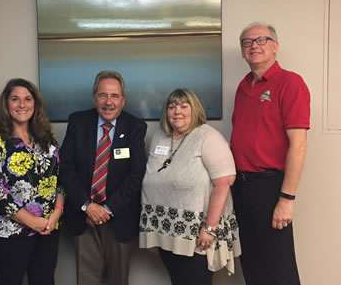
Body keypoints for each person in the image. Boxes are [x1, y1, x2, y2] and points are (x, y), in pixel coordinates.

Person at [231, 22, 310, 285]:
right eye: (247, 42)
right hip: (241, 188)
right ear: (243, 51)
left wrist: (286, 198)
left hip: (270, 187)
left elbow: (298, 145)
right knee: (252, 263)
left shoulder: (290, 83)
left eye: (261, 40)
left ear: (275, 46)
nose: (254, 45)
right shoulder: (243, 87)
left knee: (279, 268)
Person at [139, 88, 241, 285]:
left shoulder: (208, 137)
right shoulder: (160, 137)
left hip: (197, 234)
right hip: (166, 232)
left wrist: (209, 228)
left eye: (184, 106)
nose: (177, 111)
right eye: (172, 107)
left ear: (195, 110)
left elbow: (224, 183)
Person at [60, 70, 147, 285]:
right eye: (103, 95)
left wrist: (105, 210)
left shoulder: (135, 127)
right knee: (86, 279)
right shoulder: (78, 122)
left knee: (118, 279)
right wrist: (87, 206)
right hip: (83, 216)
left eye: (114, 96)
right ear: (94, 97)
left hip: (118, 217)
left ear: (123, 100)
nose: (109, 102)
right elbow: (66, 168)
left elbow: (136, 176)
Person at [0, 78, 64, 285]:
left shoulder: (48, 140)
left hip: (47, 228)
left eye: (27, 99)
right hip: (9, 232)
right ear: (6, 105)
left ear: (35, 103)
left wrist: (56, 214)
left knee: (44, 280)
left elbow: (59, 181)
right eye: (15, 99)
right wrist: (30, 221)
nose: (22, 105)